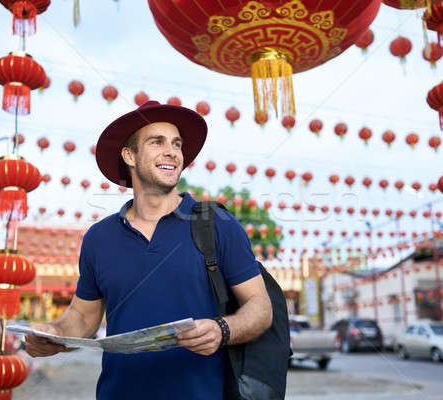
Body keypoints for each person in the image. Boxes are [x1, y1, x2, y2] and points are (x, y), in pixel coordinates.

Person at [24, 101, 273, 399]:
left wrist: (223, 329)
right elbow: (83, 315)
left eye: (176, 144)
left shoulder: (217, 224)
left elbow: (261, 308)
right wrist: (54, 333)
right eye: (157, 142)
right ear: (130, 155)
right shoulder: (98, 238)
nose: (172, 152)